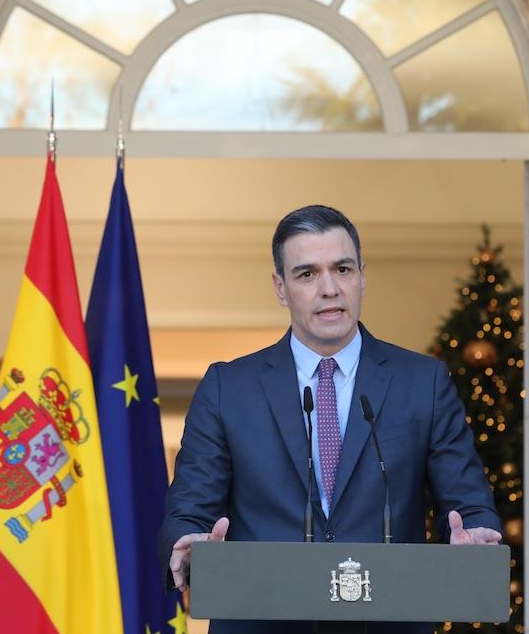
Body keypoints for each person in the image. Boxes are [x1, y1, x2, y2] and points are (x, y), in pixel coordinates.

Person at [158, 205, 502, 633]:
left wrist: (476, 533)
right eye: (306, 274)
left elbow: (468, 503)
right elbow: (189, 511)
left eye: (342, 269)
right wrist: (187, 543)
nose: (329, 289)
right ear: (280, 287)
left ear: (362, 276)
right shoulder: (229, 387)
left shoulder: (423, 382)